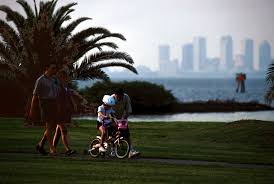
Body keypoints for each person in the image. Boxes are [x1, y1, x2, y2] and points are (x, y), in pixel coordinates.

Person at [30, 63, 58, 156]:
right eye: (53, 68)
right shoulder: (40, 80)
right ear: (47, 68)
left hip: (54, 103)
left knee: (52, 127)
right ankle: (52, 148)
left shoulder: (54, 80)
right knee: (49, 126)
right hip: (45, 103)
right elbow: (35, 95)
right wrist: (31, 109)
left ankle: (40, 144)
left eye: (55, 68)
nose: (55, 70)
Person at [112, 88, 140, 158]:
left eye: (120, 96)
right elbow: (108, 110)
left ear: (123, 95)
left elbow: (128, 110)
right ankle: (113, 150)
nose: (119, 98)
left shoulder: (126, 97)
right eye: (117, 96)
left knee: (127, 135)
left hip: (122, 118)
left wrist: (124, 118)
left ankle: (131, 150)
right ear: (115, 95)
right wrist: (113, 119)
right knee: (113, 134)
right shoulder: (111, 98)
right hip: (112, 118)